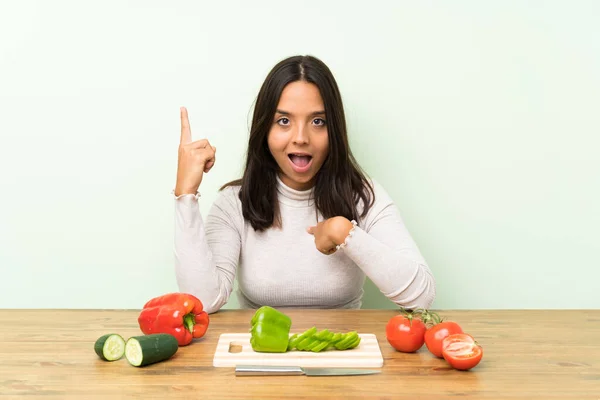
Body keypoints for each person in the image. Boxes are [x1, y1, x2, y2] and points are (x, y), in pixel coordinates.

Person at [173, 55, 436, 314]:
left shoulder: (363, 196)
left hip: (343, 351)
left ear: (334, 130)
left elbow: (421, 297)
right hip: (259, 353)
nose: (301, 138)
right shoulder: (235, 202)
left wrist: (344, 232)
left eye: (318, 121)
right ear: (265, 130)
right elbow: (202, 301)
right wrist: (185, 196)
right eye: (284, 121)